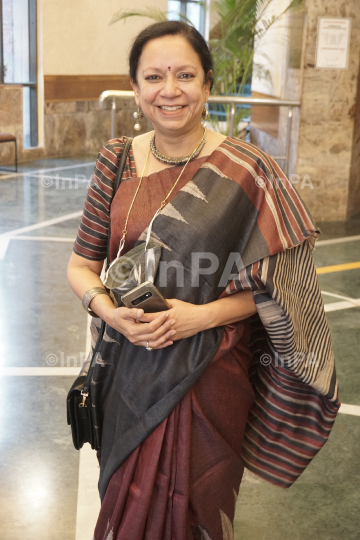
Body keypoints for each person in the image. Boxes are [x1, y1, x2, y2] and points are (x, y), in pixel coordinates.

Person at [67, 20, 339, 540]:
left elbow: (282, 289)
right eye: (154, 77)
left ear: (208, 84)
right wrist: (110, 313)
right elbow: (80, 266)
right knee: (131, 494)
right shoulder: (115, 161)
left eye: (185, 75)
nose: (169, 90)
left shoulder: (250, 170)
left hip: (212, 371)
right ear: (136, 89)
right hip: (129, 366)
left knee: (201, 498)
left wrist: (201, 317)